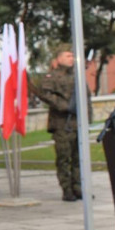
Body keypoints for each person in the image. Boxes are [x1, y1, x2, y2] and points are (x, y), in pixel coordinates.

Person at [31, 43, 90, 201]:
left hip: (77, 123)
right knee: (64, 158)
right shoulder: (52, 77)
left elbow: (86, 98)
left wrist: (87, 119)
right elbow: (44, 94)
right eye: (67, 56)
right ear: (58, 58)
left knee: (79, 158)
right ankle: (67, 189)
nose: (71, 59)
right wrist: (63, 105)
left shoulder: (77, 76)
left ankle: (78, 187)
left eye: (72, 56)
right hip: (62, 124)